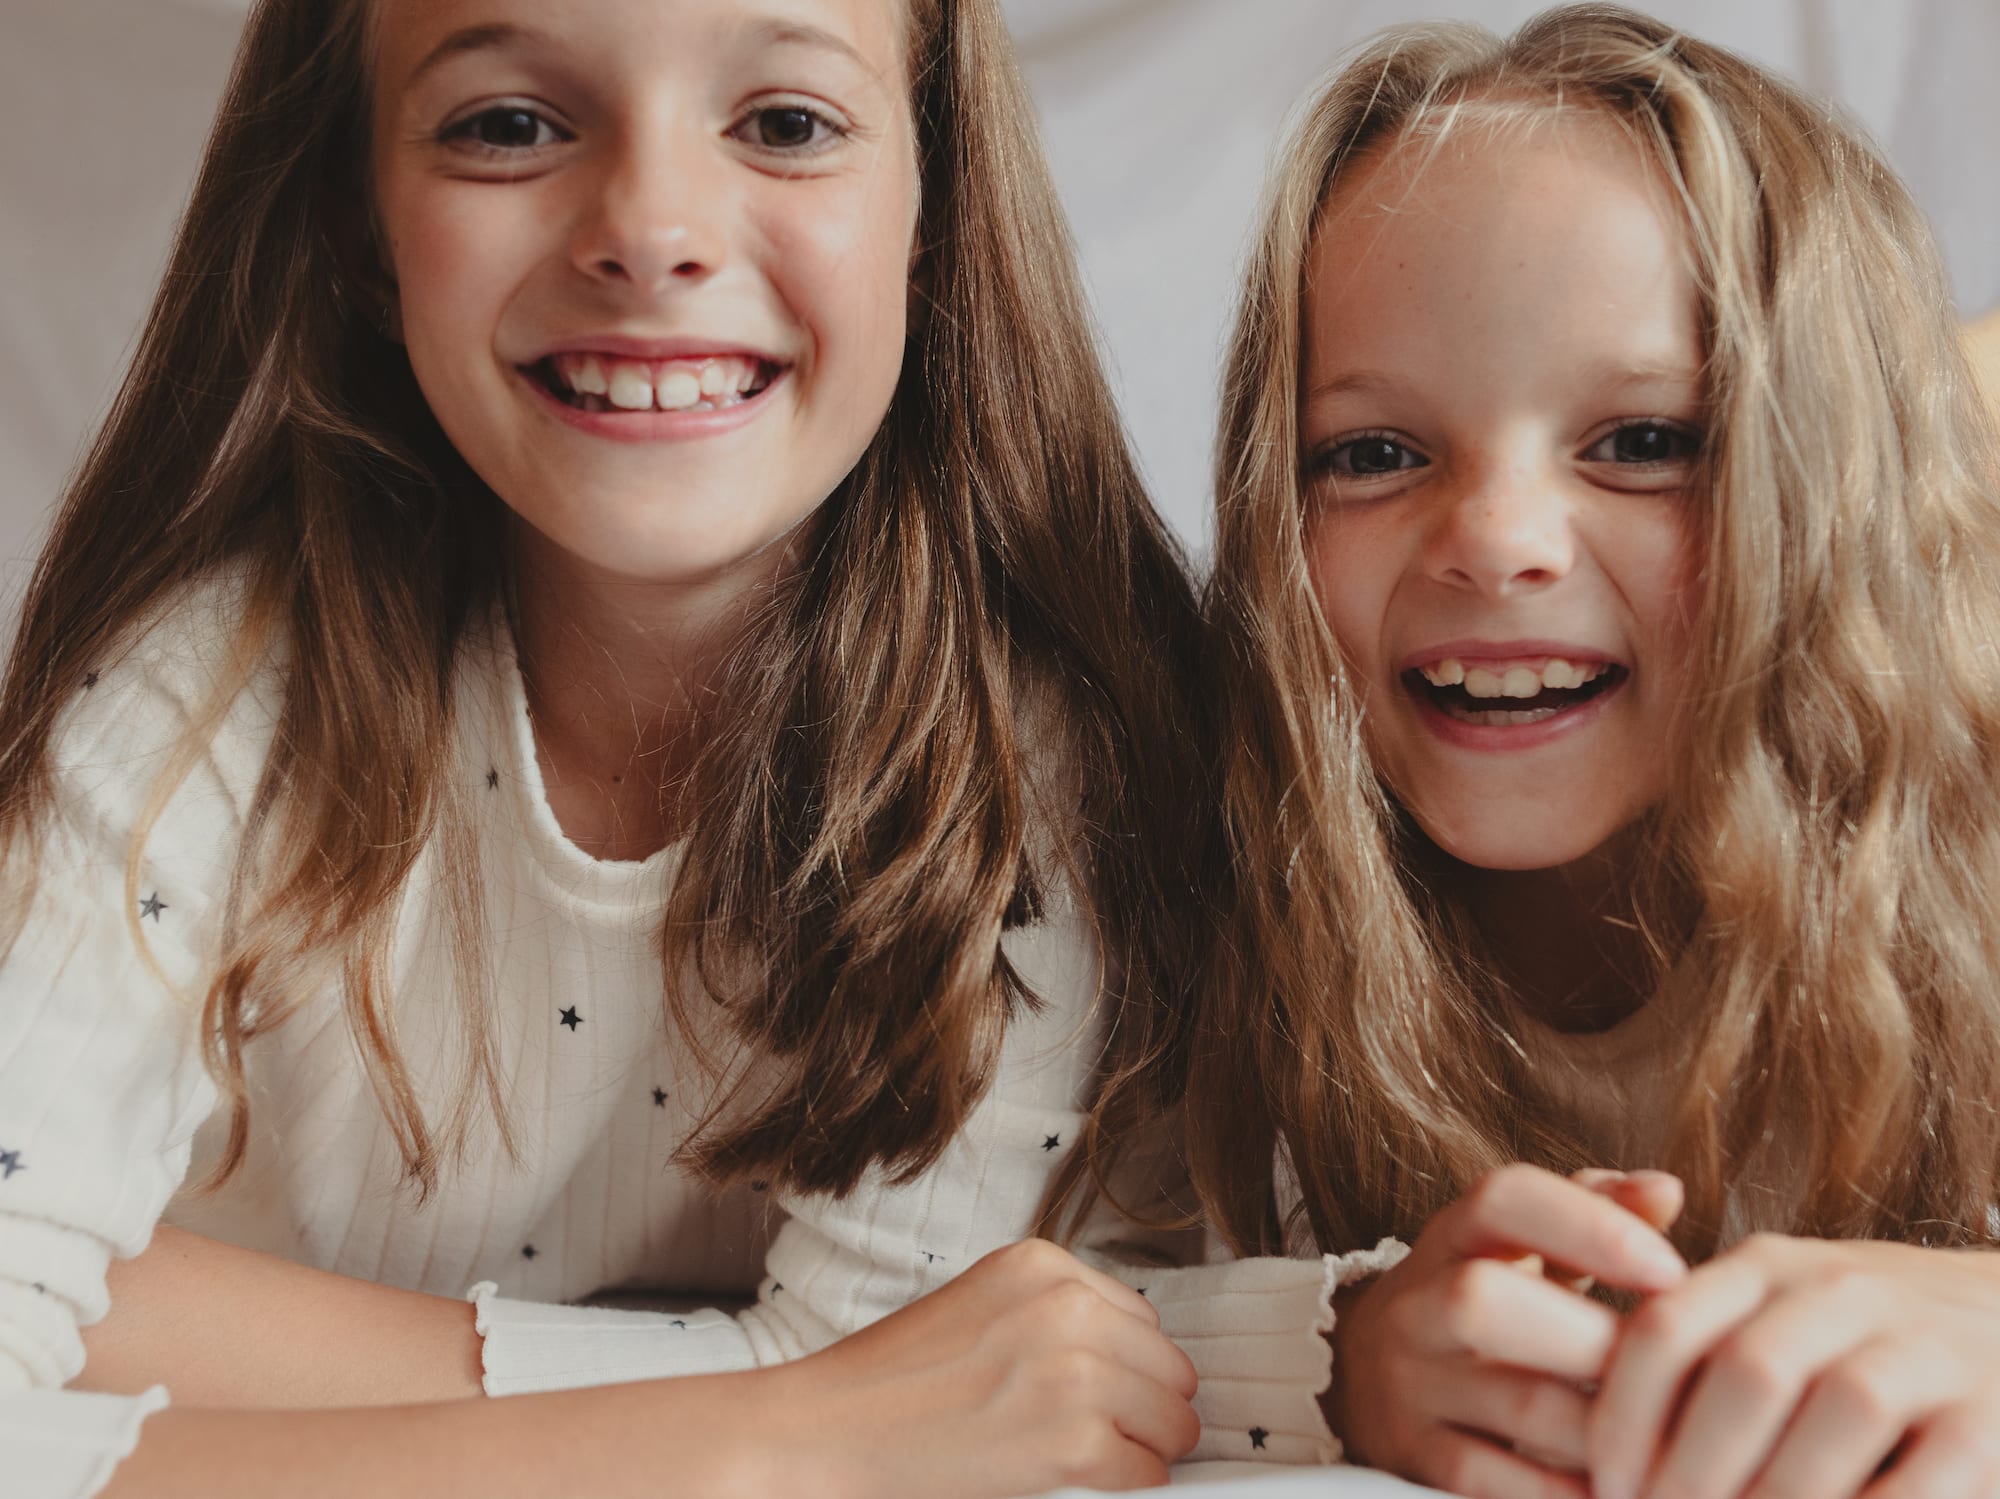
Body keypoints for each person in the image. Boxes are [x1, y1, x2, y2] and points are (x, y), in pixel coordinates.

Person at [0, 0, 1237, 1493]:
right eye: (508, 125)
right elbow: (858, 1418)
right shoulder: (203, 704)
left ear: (936, 217)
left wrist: (155, 1326)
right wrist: (773, 1426)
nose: (651, 232)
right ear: (357, 230)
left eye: (783, 124)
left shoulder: (1028, 758)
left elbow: (912, 1387)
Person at [1190, 6, 2000, 1496]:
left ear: (1835, 497)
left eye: (1643, 442)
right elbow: (982, 1320)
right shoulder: (1184, 877)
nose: (1495, 542)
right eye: (1371, 454)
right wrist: (1333, 1351)